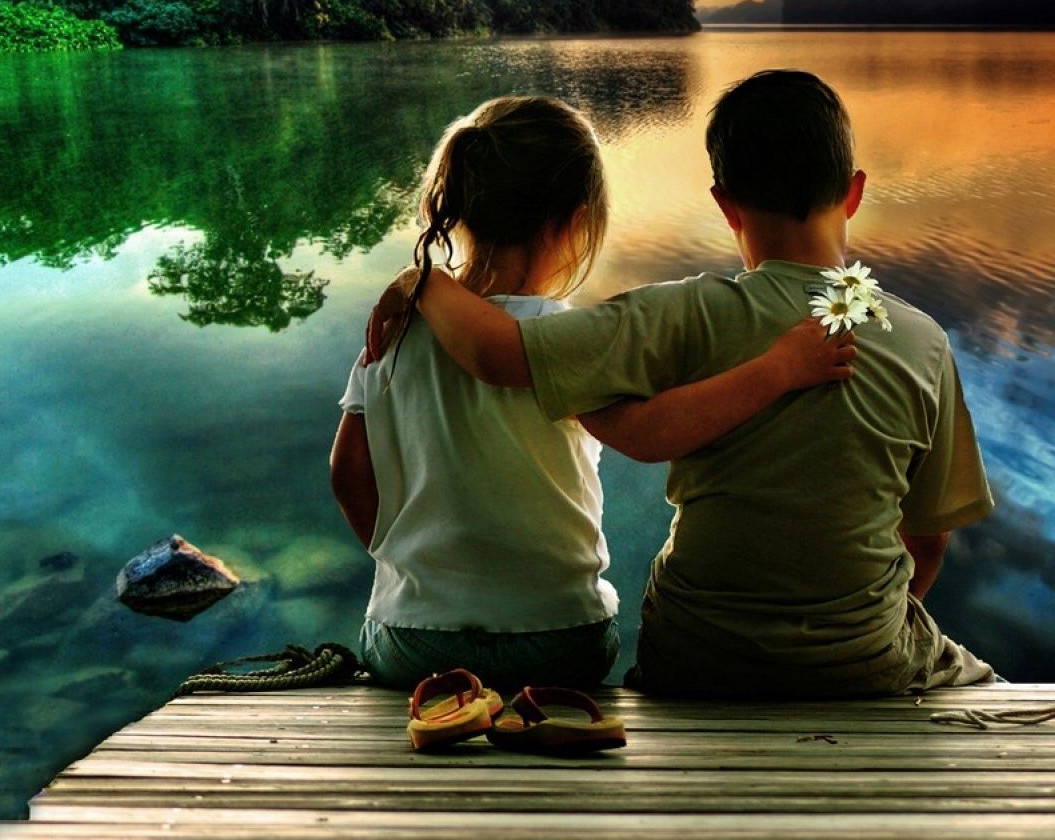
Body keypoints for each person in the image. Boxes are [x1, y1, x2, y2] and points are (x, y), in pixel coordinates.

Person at [368, 71, 996, 697]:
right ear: (854, 192)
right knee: (977, 679)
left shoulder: (678, 312)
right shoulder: (923, 339)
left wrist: (421, 278)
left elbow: (497, 352)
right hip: (864, 658)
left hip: (697, 655)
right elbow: (929, 540)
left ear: (726, 205)